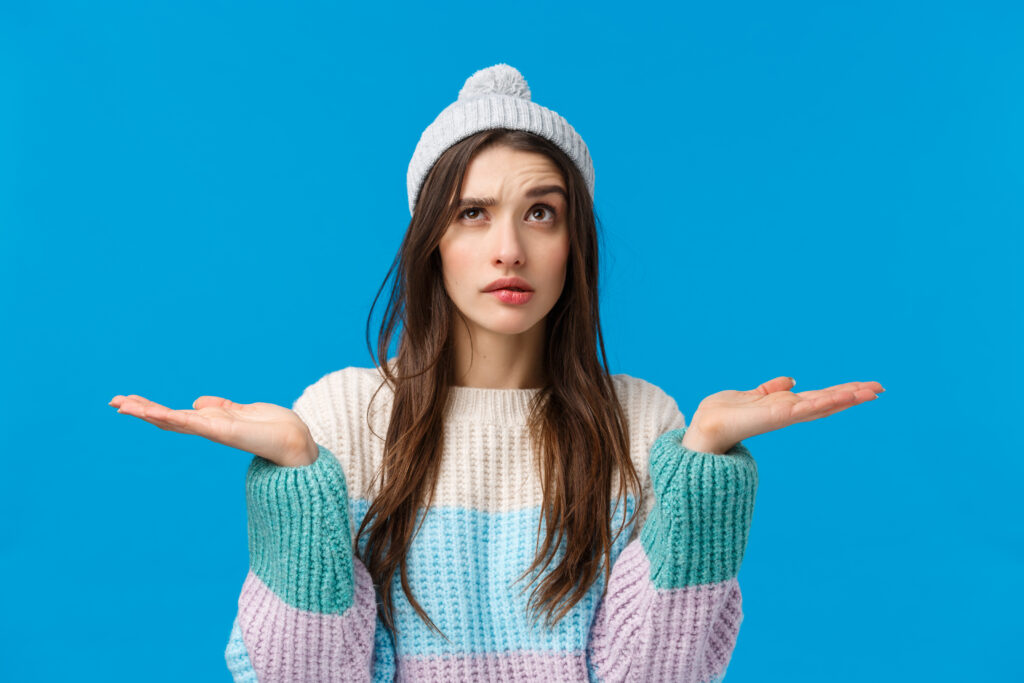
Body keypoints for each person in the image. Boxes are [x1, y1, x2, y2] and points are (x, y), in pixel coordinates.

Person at [109, 63, 884, 682]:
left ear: (573, 241)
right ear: (432, 242)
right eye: (473, 212)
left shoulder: (645, 422)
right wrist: (296, 480)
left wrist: (706, 462)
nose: (508, 247)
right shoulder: (342, 414)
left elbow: (657, 675)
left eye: (540, 212)